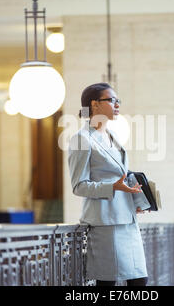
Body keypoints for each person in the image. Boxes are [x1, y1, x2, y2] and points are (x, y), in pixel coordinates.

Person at [68, 83, 150, 286]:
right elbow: (79, 185)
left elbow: (120, 177)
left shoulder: (113, 137)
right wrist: (113, 187)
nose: (117, 105)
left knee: (140, 281)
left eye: (118, 101)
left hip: (127, 220)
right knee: (108, 283)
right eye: (112, 100)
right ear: (94, 105)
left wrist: (135, 198)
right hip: (106, 223)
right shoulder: (81, 139)